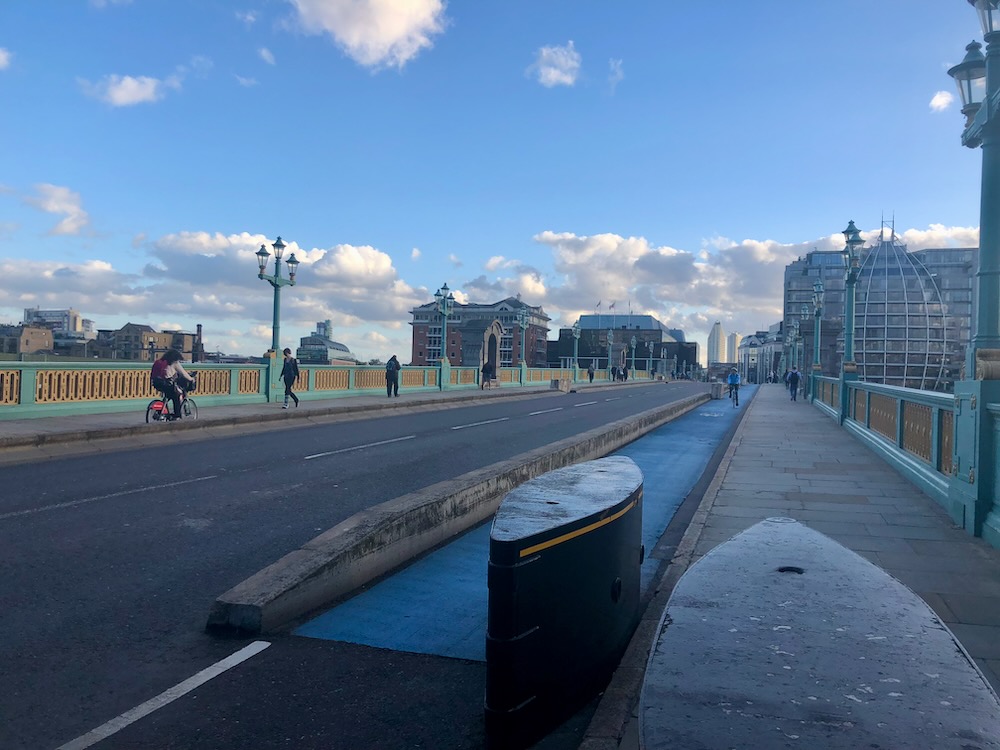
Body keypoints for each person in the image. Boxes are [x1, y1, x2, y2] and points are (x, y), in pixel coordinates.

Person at [150, 349, 195, 420]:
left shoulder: (161, 361)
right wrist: (191, 379)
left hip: (157, 383)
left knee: (169, 395)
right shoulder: (175, 363)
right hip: (167, 383)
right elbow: (183, 373)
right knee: (176, 396)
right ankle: (177, 415)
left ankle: (163, 410)